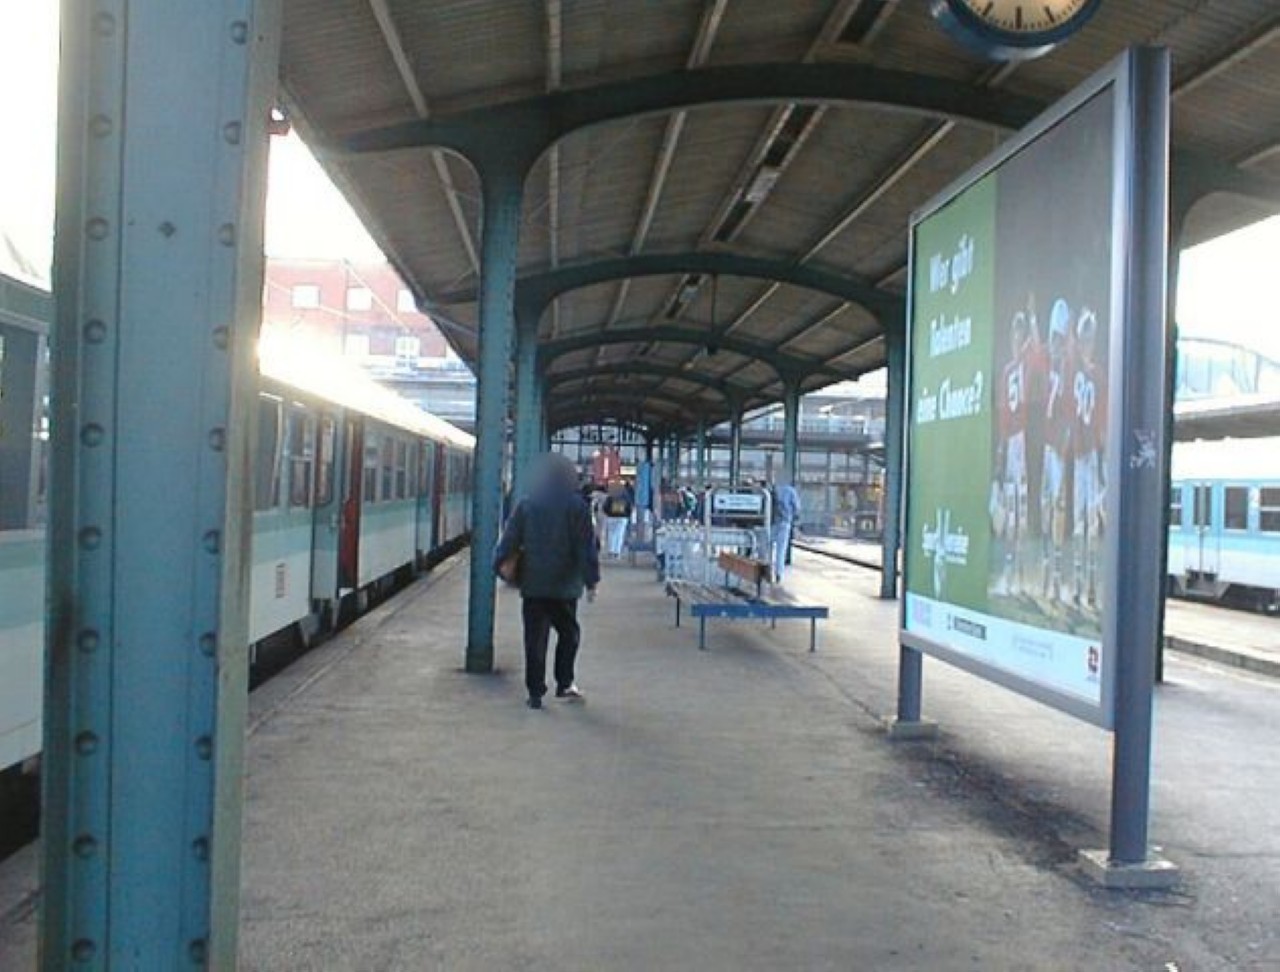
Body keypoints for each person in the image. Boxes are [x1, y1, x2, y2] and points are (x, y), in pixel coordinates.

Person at [494, 453, 600, 709]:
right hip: (565, 586)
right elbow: (585, 547)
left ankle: (535, 692)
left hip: (534, 584)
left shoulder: (527, 504)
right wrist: (591, 580)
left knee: (535, 639)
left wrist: (499, 566)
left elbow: (509, 540)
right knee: (569, 633)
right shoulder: (577, 507)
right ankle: (564, 682)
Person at [770, 476, 801, 583]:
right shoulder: (790, 491)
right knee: (781, 549)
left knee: (766, 547)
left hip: (771, 523)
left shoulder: (772, 488)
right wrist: (793, 518)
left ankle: (766, 570)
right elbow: (797, 509)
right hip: (785, 522)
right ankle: (778, 573)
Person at [602, 482, 633, 558]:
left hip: (611, 517)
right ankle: (617, 552)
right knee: (620, 534)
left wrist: (608, 514)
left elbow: (605, 507)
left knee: (611, 534)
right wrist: (627, 515)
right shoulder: (626, 496)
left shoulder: (611, 496)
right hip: (623, 517)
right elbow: (629, 507)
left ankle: (611, 551)